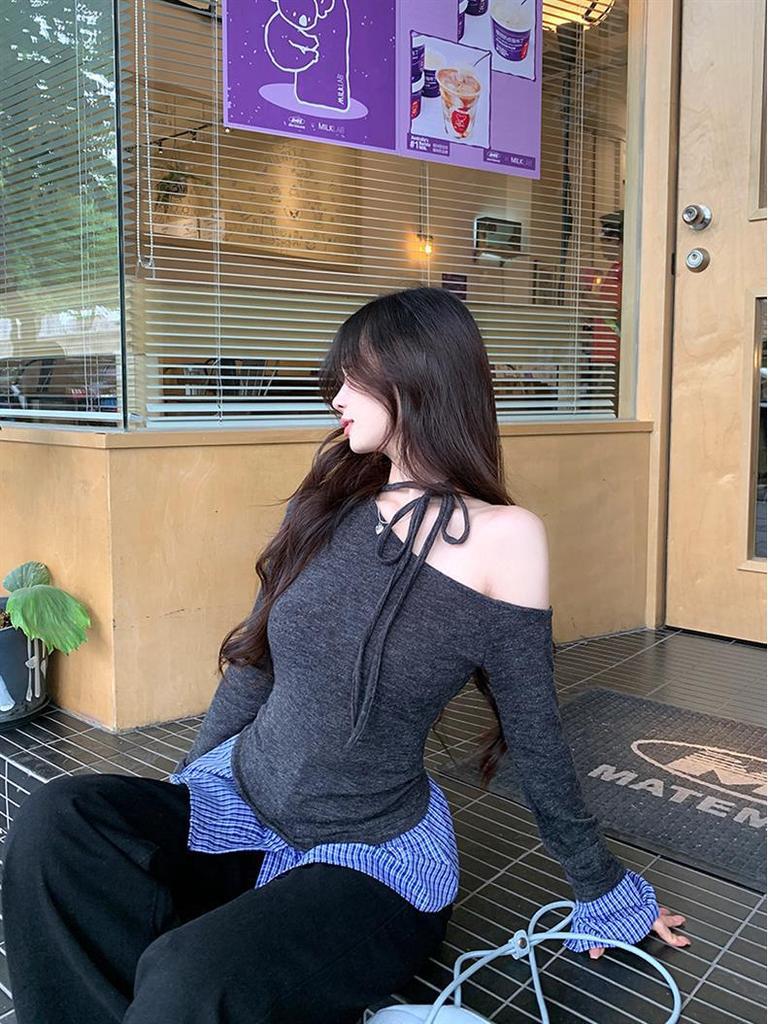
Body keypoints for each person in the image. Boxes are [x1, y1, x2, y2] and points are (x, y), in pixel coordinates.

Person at [0, 287, 691, 1024]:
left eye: (354, 377)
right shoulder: (331, 504)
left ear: (420, 376)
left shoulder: (506, 537)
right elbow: (257, 665)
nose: (336, 396)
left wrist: (600, 883)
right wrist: (186, 798)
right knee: (55, 822)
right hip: (243, 800)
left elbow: (535, 732)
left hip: (372, 853)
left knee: (188, 977)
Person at [584, 210, 623, 416]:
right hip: (604, 352)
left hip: (615, 354)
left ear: (618, 241)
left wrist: (589, 298)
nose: (600, 246)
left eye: (605, 240)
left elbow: (614, 312)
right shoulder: (613, 270)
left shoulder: (624, 271)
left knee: (607, 410)